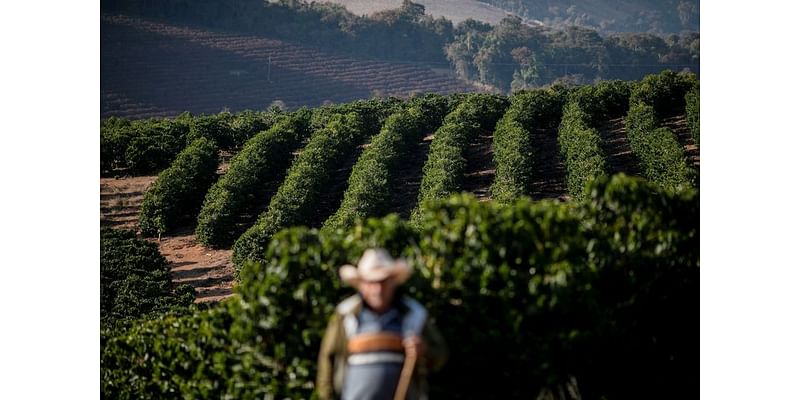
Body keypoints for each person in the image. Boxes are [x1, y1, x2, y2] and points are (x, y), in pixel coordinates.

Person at [316, 248, 448, 400]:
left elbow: (440, 355)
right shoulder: (346, 314)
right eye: (372, 282)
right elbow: (327, 360)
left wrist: (423, 350)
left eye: (383, 281)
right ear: (362, 284)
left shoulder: (414, 314)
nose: (378, 289)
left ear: (393, 281)